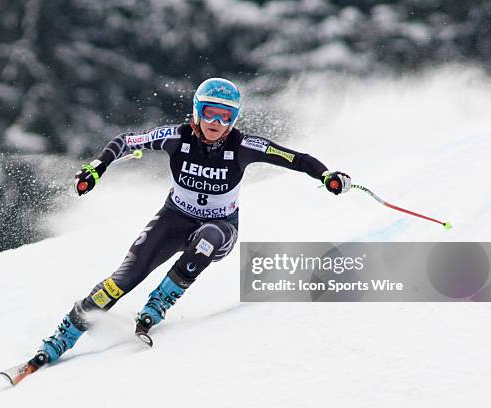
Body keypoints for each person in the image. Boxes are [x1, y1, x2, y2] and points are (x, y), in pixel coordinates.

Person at [32, 78, 351, 365]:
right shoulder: (176, 138)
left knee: (208, 237)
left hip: (221, 228)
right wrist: (97, 168)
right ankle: (63, 337)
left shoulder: (242, 146)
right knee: (120, 281)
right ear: (197, 111)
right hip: (173, 221)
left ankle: (159, 302)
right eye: (210, 112)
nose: (216, 122)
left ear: (233, 119)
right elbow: (126, 141)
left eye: (225, 116)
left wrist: (326, 175)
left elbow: (294, 158)